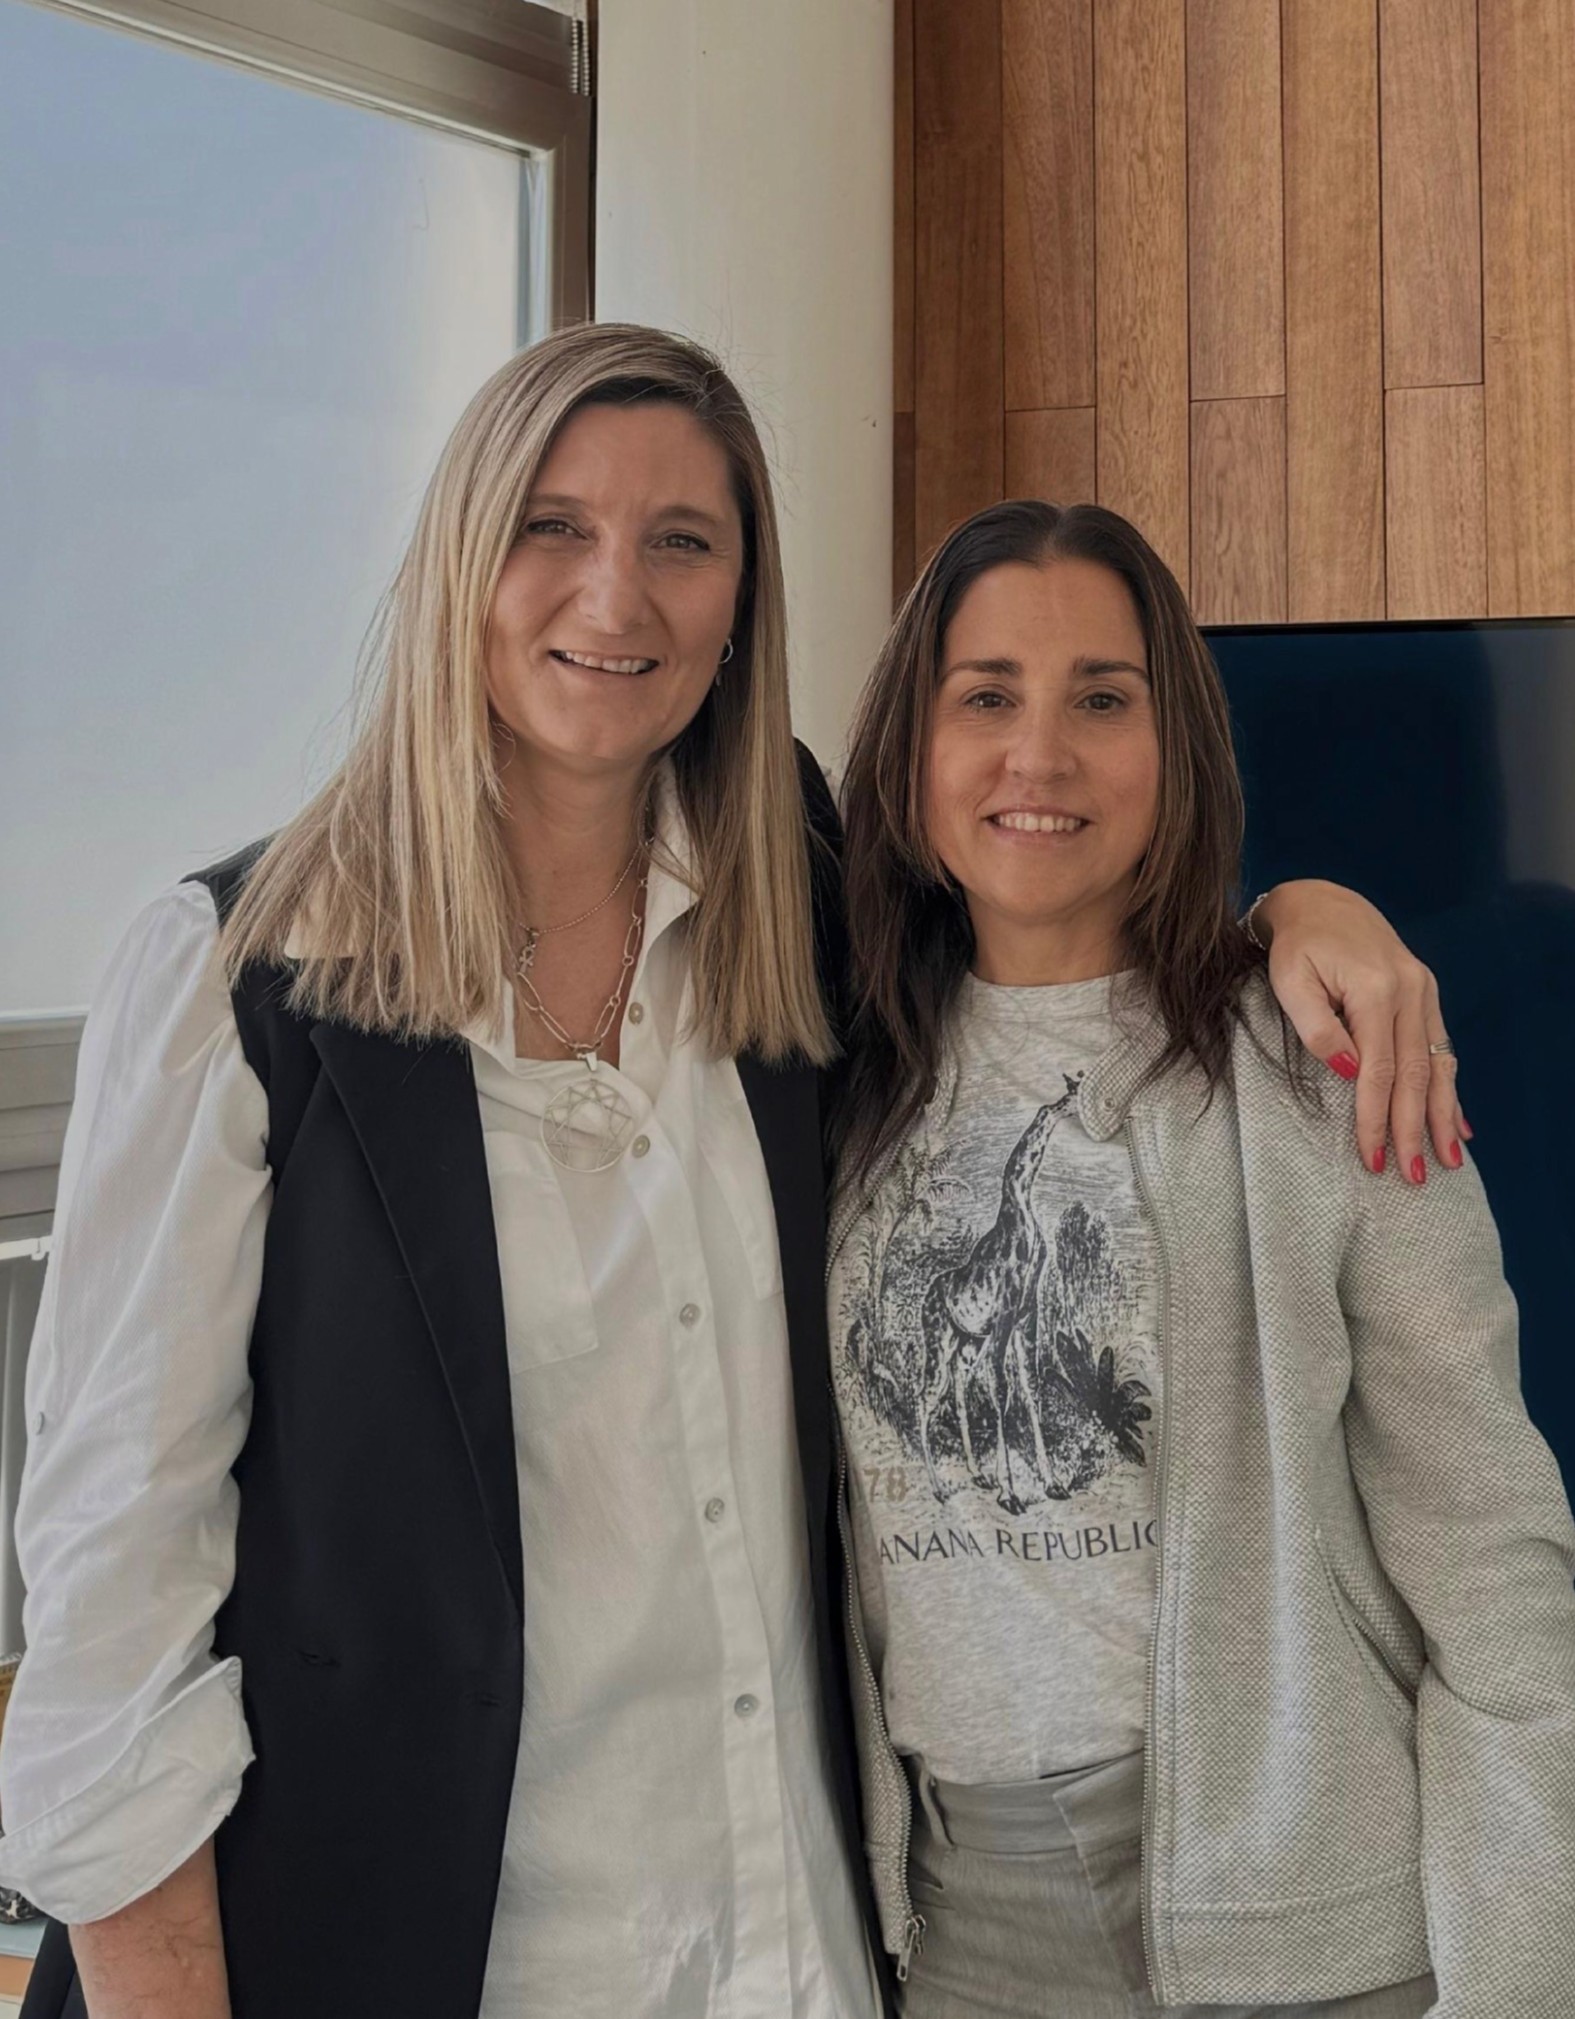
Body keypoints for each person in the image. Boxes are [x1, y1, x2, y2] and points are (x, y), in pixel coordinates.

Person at [0, 327, 1469, 2019]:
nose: (615, 596)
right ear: (458, 557)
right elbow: (114, 1618)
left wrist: (1294, 917)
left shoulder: (805, 893)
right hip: (417, 1962)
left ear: (740, 606)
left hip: (791, 1952)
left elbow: (1067, 941)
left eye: (682, 542)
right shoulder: (238, 981)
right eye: (552, 526)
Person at [828, 499, 1575, 2018]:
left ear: (1178, 749)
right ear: (911, 749)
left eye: (1103, 699)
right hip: (961, 1933)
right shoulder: (831, 1074)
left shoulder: (1329, 1061)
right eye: (987, 697)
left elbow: (1493, 1566)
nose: (1041, 754)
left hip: (1310, 1925)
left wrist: (1516, 1987)